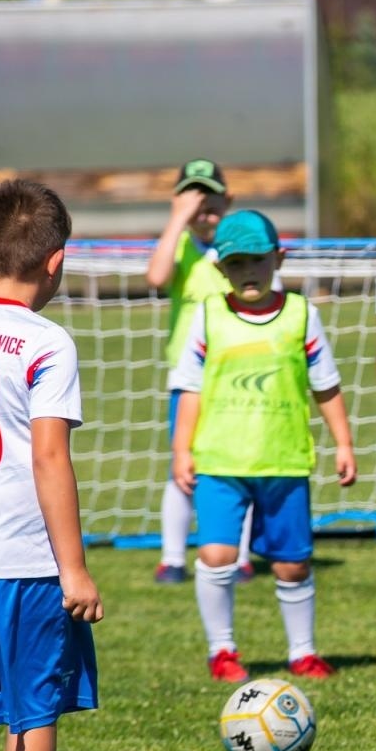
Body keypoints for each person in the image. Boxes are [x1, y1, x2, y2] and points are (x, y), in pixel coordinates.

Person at [0, 179, 103, 751]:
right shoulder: (46, 343)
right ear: (56, 262)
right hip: (20, 560)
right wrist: (74, 569)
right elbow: (49, 456)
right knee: (30, 713)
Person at [169, 210, 356, 683]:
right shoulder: (208, 317)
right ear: (220, 269)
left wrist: (344, 443)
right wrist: (181, 449)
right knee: (215, 556)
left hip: (284, 460)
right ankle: (222, 651)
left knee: (292, 565)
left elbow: (326, 386)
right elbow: (188, 387)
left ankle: (303, 653)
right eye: (236, 264)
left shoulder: (300, 315)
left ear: (278, 258)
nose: (247, 271)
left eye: (257, 260)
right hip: (220, 461)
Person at [144, 158, 255, 585]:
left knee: (240, 465)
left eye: (211, 202)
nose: (204, 212)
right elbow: (156, 276)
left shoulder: (239, 251)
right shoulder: (181, 247)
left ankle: (239, 556)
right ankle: (172, 558)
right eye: (195, 201)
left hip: (237, 377)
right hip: (189, 381)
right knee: (183, 467)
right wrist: (177, 220)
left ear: (228, 200)